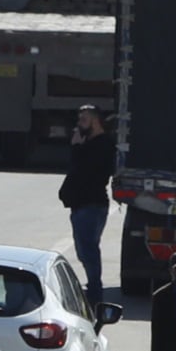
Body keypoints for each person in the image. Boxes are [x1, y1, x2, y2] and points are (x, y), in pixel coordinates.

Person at [59, 104, 115, 301]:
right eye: (79, 120)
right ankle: (93, 287)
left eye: (84, 120)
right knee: (83, 250)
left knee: (89, 249)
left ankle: (94, 292)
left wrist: (76, 147)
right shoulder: (87, 144)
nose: (79, 124)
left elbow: (86, 170)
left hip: (92, 205)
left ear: (95, 121)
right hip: (80, 205)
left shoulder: (102, 144)